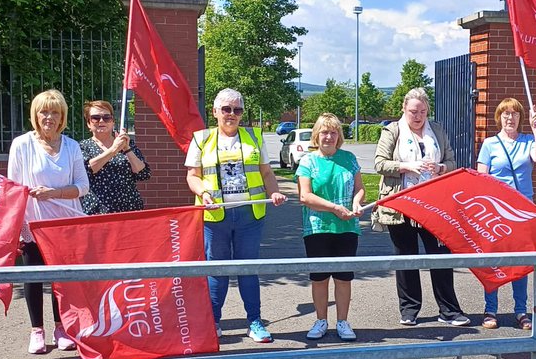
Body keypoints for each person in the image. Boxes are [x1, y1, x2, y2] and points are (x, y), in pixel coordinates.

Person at [186, 88, 287, 343]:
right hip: (215, 216)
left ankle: (254, 321)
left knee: (248, 269)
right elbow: (192, 176)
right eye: (226, 109)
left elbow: (266, 173)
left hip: (250, 215)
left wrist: (274, 193)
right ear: (215, 112)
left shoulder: (254, 136)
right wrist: (203, 193)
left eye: (237, 110)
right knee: (217, 270)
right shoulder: (201, 138)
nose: (231, 114)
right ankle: (213, 322)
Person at [373, 87, 469, 327]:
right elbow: (380, 163)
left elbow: (451, 161)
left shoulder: (436, 130)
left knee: (440, 256)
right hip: (402, 203)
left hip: (434, 203)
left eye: (422, 112)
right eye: (413, 111)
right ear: (404, 109)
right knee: (406, 258)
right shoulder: (392, 131)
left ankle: (449, 310)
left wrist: (440, 168)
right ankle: (409, 310)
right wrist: (407, 167)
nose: (418, 117)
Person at [7, 89, 90, 354]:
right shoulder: (21, 145)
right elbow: (13, 190)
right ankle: (36, 331)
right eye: (44, 111)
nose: (49, 117)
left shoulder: (72, 146)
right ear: (35, 114)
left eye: (55, 112)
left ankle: (61, 328)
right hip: (33, 225)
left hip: (65, 227)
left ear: (62, 116)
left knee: (61, 280)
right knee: (33, 278)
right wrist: (18, 230)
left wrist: (53, 193)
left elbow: (83, 187)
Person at [475, 98, 536, 330]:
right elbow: (481, 178)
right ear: (499, 117)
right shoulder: (490, 144)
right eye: (505, 114)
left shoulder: (527, 141)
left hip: (522, 210)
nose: (510, 118)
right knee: (493, 260)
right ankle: (490, 309)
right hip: (496, 210)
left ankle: (520, 311)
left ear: (520, 118)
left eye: (514, 114)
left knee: (520, 261)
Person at [296, 113, 365, 341]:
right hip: (317, 228)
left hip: (347, 227)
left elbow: (360, 188)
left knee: (344, 277)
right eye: (324, 132)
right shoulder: (308, 161)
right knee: (320, 278)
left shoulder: (349, 158)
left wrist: (356, 202)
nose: (329, 136)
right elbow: (305, 196)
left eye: (333, 132)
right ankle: (321, 320)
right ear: (317, 135)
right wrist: (335, 207)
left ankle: (343, 322)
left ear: (339, 135)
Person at [78, 100, 151, 215]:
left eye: (106, 117)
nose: (101, 121)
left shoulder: (126, 143)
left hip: (130, 209)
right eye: (95, 118)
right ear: (88, 123)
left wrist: (127, 149)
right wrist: (114, 149)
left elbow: (143, 173)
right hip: (98, 211)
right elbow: (88, 169)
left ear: (113, 122)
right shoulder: (83, 146)